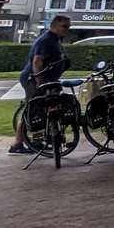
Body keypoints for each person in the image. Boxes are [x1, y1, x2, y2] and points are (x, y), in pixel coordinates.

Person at [11, 15, 72, 155]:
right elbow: (37, 62)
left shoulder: (55, 40)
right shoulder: (46, 41)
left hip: (45, 80)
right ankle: (17, 144)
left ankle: (36, 142)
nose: (67, 30)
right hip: (33, 79)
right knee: (32, 110)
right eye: (64, 26)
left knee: (42, 111)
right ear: (55, 25)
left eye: (68, 27)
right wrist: (40, 82)